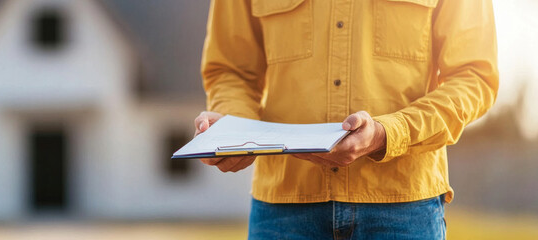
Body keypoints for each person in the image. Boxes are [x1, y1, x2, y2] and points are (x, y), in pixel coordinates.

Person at [194, 0, 498, 239]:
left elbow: (474, 78)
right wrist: (236, 130)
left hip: (404, 210)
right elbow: (231, 70)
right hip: (282, 211)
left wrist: (386, 134)